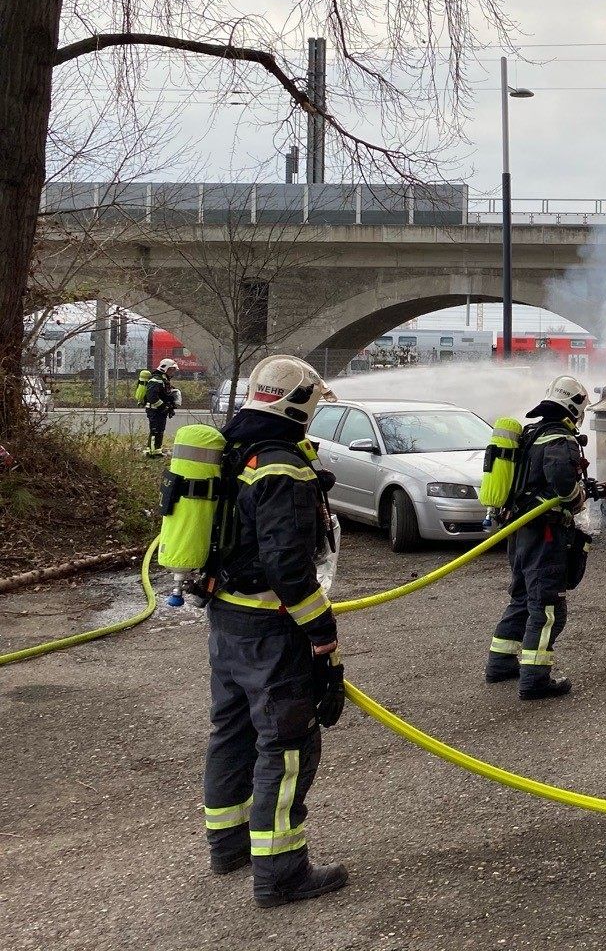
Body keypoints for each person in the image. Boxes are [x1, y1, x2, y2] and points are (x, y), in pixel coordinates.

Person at [201, 354, 349, 907]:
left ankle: (228, 845)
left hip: (227, 618)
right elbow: (289, 567)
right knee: (286, 745)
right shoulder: (282, 463)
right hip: (271, 627)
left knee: (231, 731)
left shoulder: (231, 447)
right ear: (297, 403)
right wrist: (322, 633)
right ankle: (281, 872)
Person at [485, 375, 595, 700]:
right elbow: (561, 480)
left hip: (520, 531)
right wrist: (578, 500)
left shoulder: (533, 433)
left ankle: (501, 663)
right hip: (545, 532)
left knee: (522, 597)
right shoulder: (561, 438)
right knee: (548, 608)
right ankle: (535, 680)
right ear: (574, 407)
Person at [143, 358, 178, 457]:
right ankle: (151, 452)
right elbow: (152, 397)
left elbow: (165, 394)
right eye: (172, 370)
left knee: (160, 430)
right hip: (154, 410)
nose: (173, 372)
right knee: (155, 430)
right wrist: (163, 406)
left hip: (160, 410)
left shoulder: (164, 379)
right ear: (165, 368)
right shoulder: (156, 380)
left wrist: (170, 405)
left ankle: (157, 450)